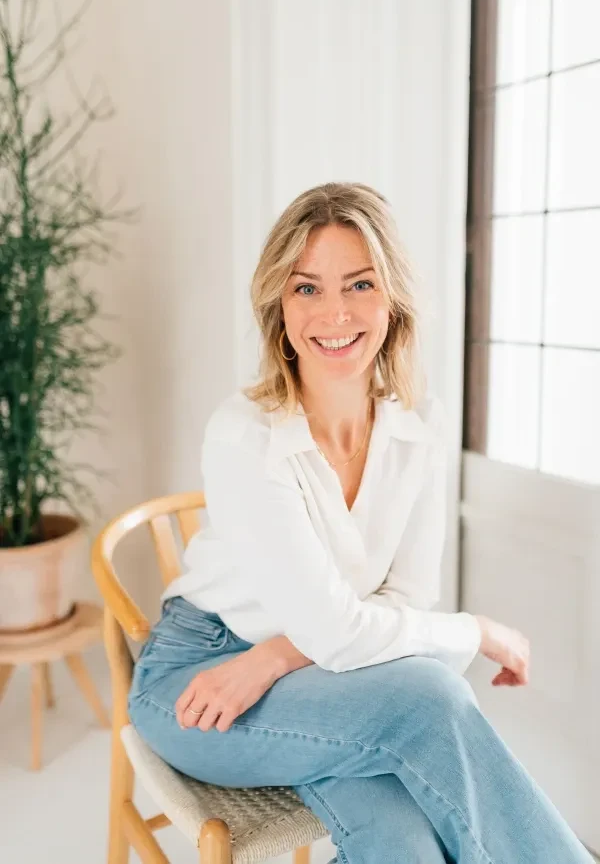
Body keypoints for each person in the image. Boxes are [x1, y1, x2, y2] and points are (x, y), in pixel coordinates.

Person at [128, 183, 593, 863]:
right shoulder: (244, 436)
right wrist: (476, 632)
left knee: (403, 844)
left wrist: (278, 655)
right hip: (201, 679)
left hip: (325, 672)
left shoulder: (419, 423)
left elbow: (400, 600)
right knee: (431, 696)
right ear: (279, 306)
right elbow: (346, 632)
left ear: (392, 297)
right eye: (307, 288)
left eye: (359, 284)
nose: (335, 313)